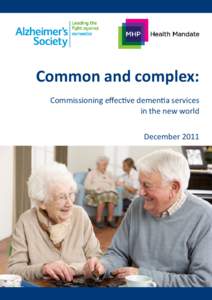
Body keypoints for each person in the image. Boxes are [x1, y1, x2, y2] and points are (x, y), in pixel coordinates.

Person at [83, 149, 212, 287]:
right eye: (140, 184)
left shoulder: (205, 217)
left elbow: (203, 282)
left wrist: (144, 276)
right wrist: (103, 266)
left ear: (174, 187)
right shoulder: (137, 205)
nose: (140, 192)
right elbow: (118, 252)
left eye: (147, 185)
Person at [8, 162, 102, 281]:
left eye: (71, 194)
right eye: (61, 197)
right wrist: (43, 269)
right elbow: (14, 270)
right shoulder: (25, 222)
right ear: (42, 202)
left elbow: (96, 259)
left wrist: (71, 269)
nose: (69, 203)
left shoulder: (80, 216)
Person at [84, 156, 118, 229]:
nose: (105, 166)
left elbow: (113, 184)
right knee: (102, 196)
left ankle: (110, 219)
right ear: (98, 165)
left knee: (112, 195)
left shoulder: (109, 173)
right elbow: (87, 186)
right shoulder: (92, 173)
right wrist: (96, 188)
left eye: (106, 165)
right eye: (103, 165)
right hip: (96, 192)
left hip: (108, 191)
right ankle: (98, 220)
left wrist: (111, 188)